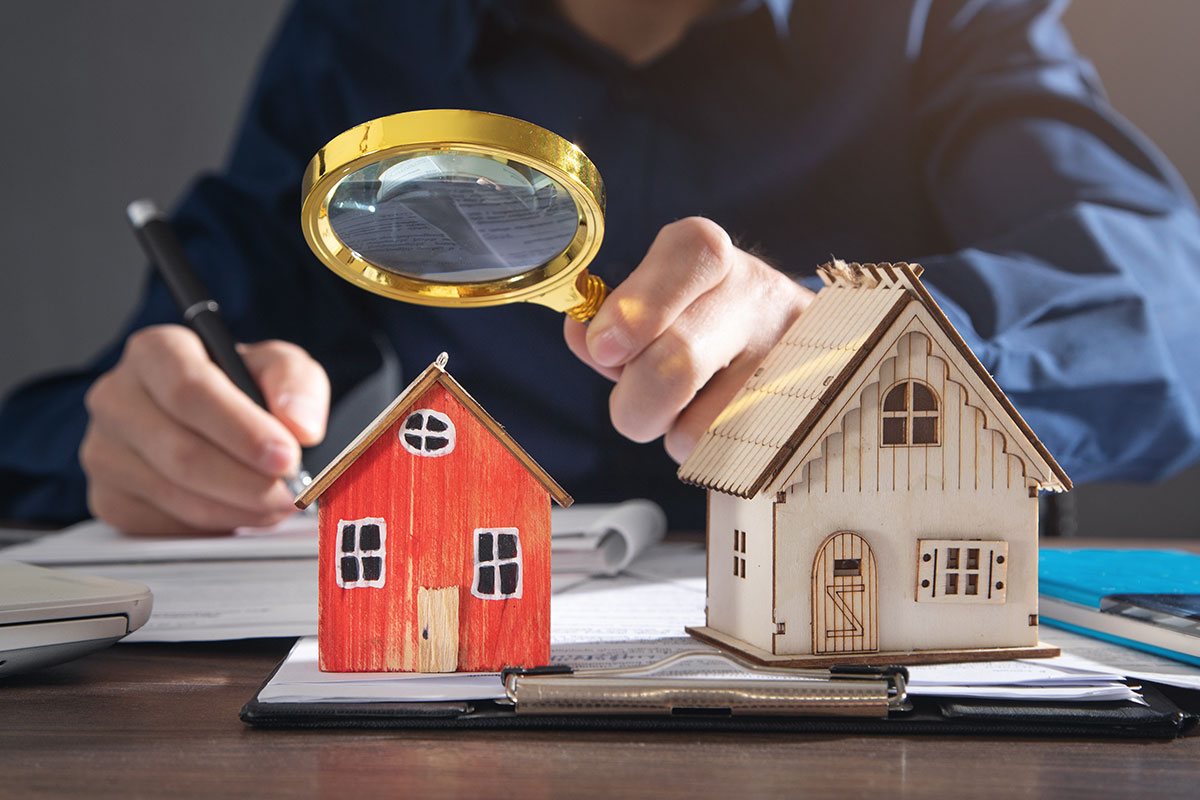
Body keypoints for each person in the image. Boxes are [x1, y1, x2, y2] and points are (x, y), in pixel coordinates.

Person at [2, 0, 1199, 534]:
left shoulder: (937, 14)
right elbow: (122, 402)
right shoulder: (364, 32)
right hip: (475, 679)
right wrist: (142, 440)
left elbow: (1172, 311)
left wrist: (873, 351)